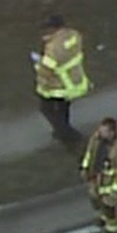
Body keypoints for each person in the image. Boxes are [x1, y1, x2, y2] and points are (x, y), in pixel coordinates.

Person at [33, 15, 91, 145]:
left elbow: (46, 70)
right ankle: (64, 130)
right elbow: (66, 48)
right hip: (75, 81)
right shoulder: (74, 35)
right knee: (63, 109)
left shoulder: (53, 48)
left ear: (53, 28)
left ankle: (68, 135)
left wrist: (38, 66)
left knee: (47, 109)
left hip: (58, 87)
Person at [79, 117, 117, 233]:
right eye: (100, 130)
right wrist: (85, 167)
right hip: (95, 178)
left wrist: (116, 191)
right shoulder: (97, 138)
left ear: (112, 132)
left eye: (104, 131)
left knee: (110, 207)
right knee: (96, 200)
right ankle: (103, 218)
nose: (100, 133)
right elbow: (90, 153)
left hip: (110, 183)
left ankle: (113, 229)